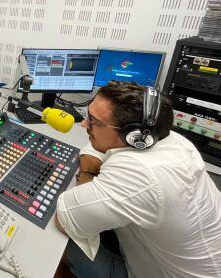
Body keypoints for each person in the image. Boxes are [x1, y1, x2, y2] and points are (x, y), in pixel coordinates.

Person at [55, 81, 221, 278]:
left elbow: (64, 220)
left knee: (56, 244)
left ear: (134, 136)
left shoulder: (140, 175)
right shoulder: (172, 140)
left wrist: (88, 174)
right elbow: (98, 149)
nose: (84, 124)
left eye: (93, 121)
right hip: (169, 255)